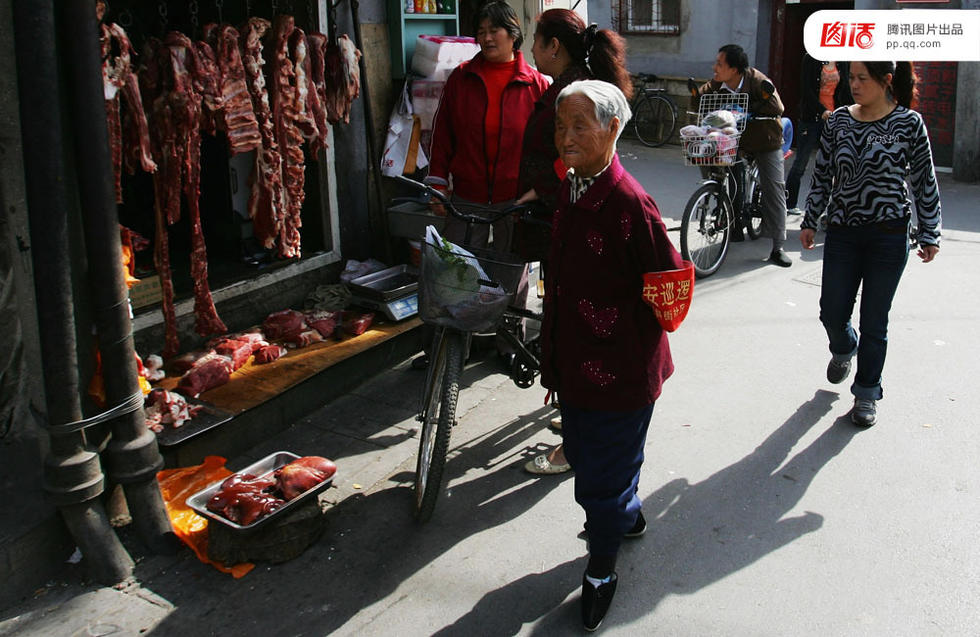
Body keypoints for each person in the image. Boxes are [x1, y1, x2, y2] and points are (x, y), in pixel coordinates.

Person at [540, 80, 683, 631]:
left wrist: (629, 328)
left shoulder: (631, 203)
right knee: (584, 450)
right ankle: (625, 513)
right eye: (561, 125)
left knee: (600, 477)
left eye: (581, 125)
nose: (567, 136)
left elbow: (670, 282)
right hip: (572, 361)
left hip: (621, 370)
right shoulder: (571, 187)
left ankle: (601, 570)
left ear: (613, 129)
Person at [514, 9, 633, 476]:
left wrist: (541, 189)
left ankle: (579, 445)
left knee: (575, 329)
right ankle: (581, 423)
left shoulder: (573, 93)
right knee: (569, 321)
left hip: (574, 218)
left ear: (554, 46)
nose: (530, 53)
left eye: (535, 42)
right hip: (569, 215)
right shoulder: (574, 85)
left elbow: (576, 160)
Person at [799, 61, 940, 427]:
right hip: (844, 231)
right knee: (831, 310)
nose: (854, 84)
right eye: (852, 77)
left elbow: (924, 181)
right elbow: (823, 173)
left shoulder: (909, 124)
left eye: (863, 78)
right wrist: (811, 218)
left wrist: (930, 232)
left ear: (886, 81)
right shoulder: (839, 121)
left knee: (875, 319)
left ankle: (866, 393)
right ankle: (845, 346)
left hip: (889, 235)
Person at [412, 0, 549, 369]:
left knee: (510, 277)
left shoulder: (536, 84)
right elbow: (443, 136)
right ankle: (445, 349)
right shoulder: (461, 78)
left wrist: (536, 193)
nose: (487, 38)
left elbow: (544, 148)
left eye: (495, 31)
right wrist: (438, 182)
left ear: (513, 35)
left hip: (514, 200)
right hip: (467, 197)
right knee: (453, 274)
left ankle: (509, 348)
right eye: (482, 32)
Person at [694, 44, 791, 267]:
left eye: (720, 64)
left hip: (765, 140)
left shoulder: (757, 81)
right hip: (735, 140)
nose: (715, 67)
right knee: (710, 159)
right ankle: (731, 222)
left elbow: (778, 106)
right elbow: (700, 100)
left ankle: (778, 246)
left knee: (773, 187)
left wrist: (749, 110)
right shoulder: (718, 84)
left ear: (735, 69)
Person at [785, 54, 851, 215]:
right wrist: (822, 111)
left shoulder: (843, 60)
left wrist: (849, 113)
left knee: (835, 163)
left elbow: (847, 89)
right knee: (802, 161)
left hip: (835, 118)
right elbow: (806, 90)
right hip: (811, 117)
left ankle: (832, 207)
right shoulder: (811, 58)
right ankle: (789, 202)